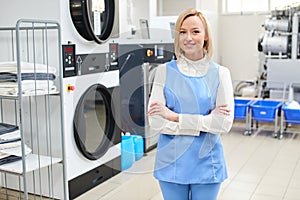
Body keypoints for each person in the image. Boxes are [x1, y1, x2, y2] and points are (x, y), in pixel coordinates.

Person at [147, 8, 234, 200]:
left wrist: (174, 116)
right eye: (182, 32)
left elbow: (223, 123)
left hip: (207, 162)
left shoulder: (220, 73)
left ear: (206, 37)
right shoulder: (163, 72)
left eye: (195, 31)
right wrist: (205, 121)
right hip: (171, 162)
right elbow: (156, 121)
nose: (188, 37)